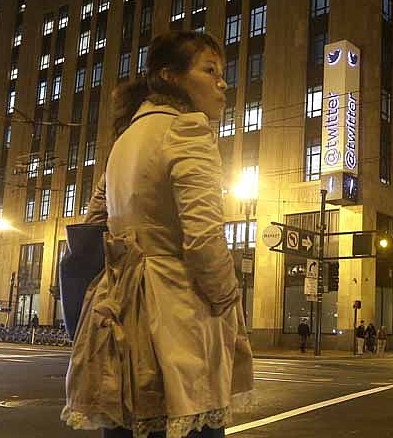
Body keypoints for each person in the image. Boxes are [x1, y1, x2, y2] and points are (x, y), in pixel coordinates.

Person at [62, 31, 253, 438]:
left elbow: (94, 223)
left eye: (223, 72)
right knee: (187, 419)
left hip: (116, 311)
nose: (223, 82)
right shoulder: (187, 131)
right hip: (174, 312)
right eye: (210, 70)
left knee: (126, 423)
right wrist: (227, 301)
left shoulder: (125, 140)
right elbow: (203, 239)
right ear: (171, 77)